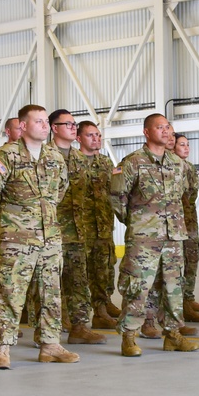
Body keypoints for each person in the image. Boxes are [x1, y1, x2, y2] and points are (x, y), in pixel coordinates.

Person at [0, 104, 79, 369]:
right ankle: (2, 348)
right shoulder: (7, 155)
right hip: (16, 240)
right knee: (9, 292)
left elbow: (61, 190)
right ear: (23, 126)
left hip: (50, 238)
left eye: (46, 121)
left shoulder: (54, 156)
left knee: (51, 293)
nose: (45, 126)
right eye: (38, 121)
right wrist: (7, 224)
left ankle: (50, 345)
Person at [110, 113, 199, 356]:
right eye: (159, 127)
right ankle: (129, 336)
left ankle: (172, 334)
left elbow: (188, 194)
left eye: (168, 127)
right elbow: (117, 198)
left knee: (173, 286)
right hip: (144, 237)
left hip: (173, 236)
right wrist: (138, 221)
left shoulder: (177, 163)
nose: (166, 131)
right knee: (137, 285)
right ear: (147, 132)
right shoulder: (132, 162)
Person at [50, 109, 105, 345]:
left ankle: (80, 326)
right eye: (68, 124)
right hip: (51, 232)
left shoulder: (79, 159)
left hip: (77, 231)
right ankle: (48, 330)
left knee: (78, 281)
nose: (73, 127)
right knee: (49, 284)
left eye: (74, 124)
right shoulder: (44, 156)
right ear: (54, 128)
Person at [76, 120, 121, 329]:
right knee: (79, 273)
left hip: (103, 226)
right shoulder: (73, 162)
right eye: (91, 135)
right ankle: (76, 312)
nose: (96, 139)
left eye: (98, 135)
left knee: (104, 269)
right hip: (79, 229)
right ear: (79, 139)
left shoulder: (105, 163)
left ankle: (102, 308)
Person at [175, 133, 199, 322]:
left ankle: (188, 298)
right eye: (182, 145)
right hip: (175, 223)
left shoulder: (189, 168)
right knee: (177, 265)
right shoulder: (171, 167)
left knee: (192, 258)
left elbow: (192, 196)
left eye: (188, 145)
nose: (186, 148)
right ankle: (179, 304)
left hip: (190, 221)